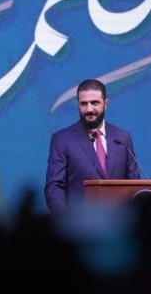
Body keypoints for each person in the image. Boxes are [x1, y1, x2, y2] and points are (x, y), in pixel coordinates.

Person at [44, 79, 140, 212]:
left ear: (106, 103)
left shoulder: (122, 138)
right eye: (84, 104)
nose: (89, 109)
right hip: (79, 221)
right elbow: (54, 187)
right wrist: (65, 220)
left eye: (95, 103)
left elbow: (135, 185)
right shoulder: (62, 139)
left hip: (119, 220)